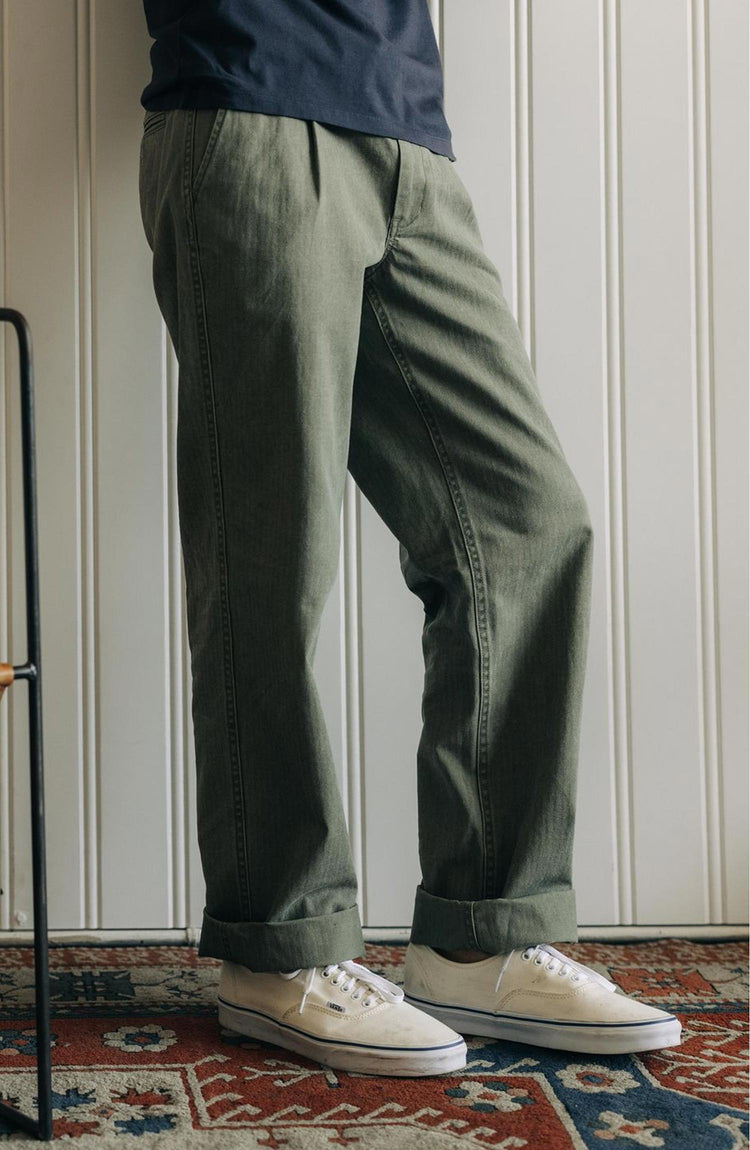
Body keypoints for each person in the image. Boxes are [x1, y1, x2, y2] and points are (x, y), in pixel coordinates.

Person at [137, 0, 682, 1077]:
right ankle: (275, 945)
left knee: (527, 521)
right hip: (250, 104)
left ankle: (484, 933)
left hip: (405, 131)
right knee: (271, 554)